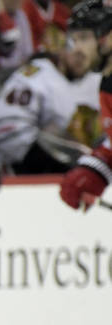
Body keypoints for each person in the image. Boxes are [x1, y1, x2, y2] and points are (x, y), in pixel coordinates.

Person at [0, 5, 104, 174]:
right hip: (26, 180)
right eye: (76, 40)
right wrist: (50, 157)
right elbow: (5, 130)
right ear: (61, 42)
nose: (80, 50)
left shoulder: (101, 84)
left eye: (88, 42)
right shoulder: (35, 75)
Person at [59, 0, 112, 212]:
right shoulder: (107, 85)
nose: (77, 48)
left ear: (107, 37)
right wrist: (96, 169)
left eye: (84, 38)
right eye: (74, 40)